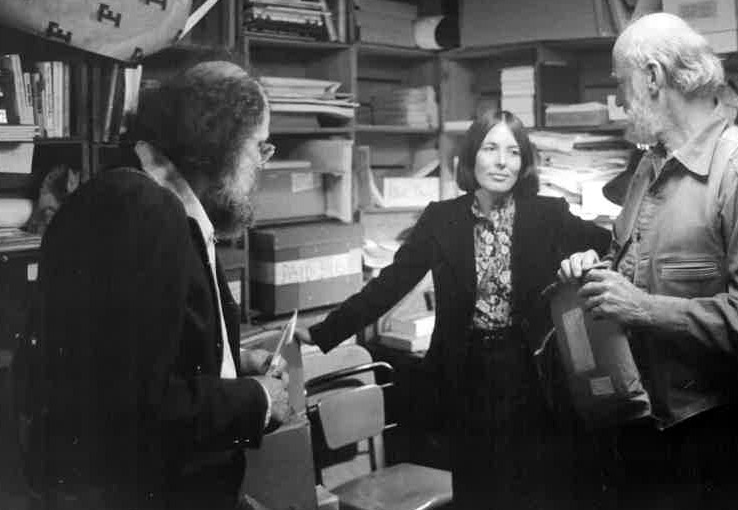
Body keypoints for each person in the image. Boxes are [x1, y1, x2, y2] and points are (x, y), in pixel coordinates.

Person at [298, 109, 613, 510]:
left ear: (524, 162)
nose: (502, 161)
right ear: (470, 158)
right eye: (491, 148)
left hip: (531, 372)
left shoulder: (548, 215)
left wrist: (587, 256)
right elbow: (389, 284)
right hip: (467, 373)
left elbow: (611, 244)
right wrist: (324, 332)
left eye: (514, 152)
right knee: (477, 489)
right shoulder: (441, 219)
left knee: (533, 487)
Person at [558, 12, 738, 510]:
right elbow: (627, 264)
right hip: (637, 424)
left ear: (652, 78)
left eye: (620, 84)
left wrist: (641, 308)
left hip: (705, 442)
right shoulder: (649, 167)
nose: (619, 101)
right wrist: (596, 269)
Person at [19, 60, 292, 510]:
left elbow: (129, 354)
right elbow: (133, 409)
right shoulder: (145, 211)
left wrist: (227, 356)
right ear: (220, 141)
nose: (261, 164)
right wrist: (256, 400)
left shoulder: (143, 197)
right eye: (259, 147)